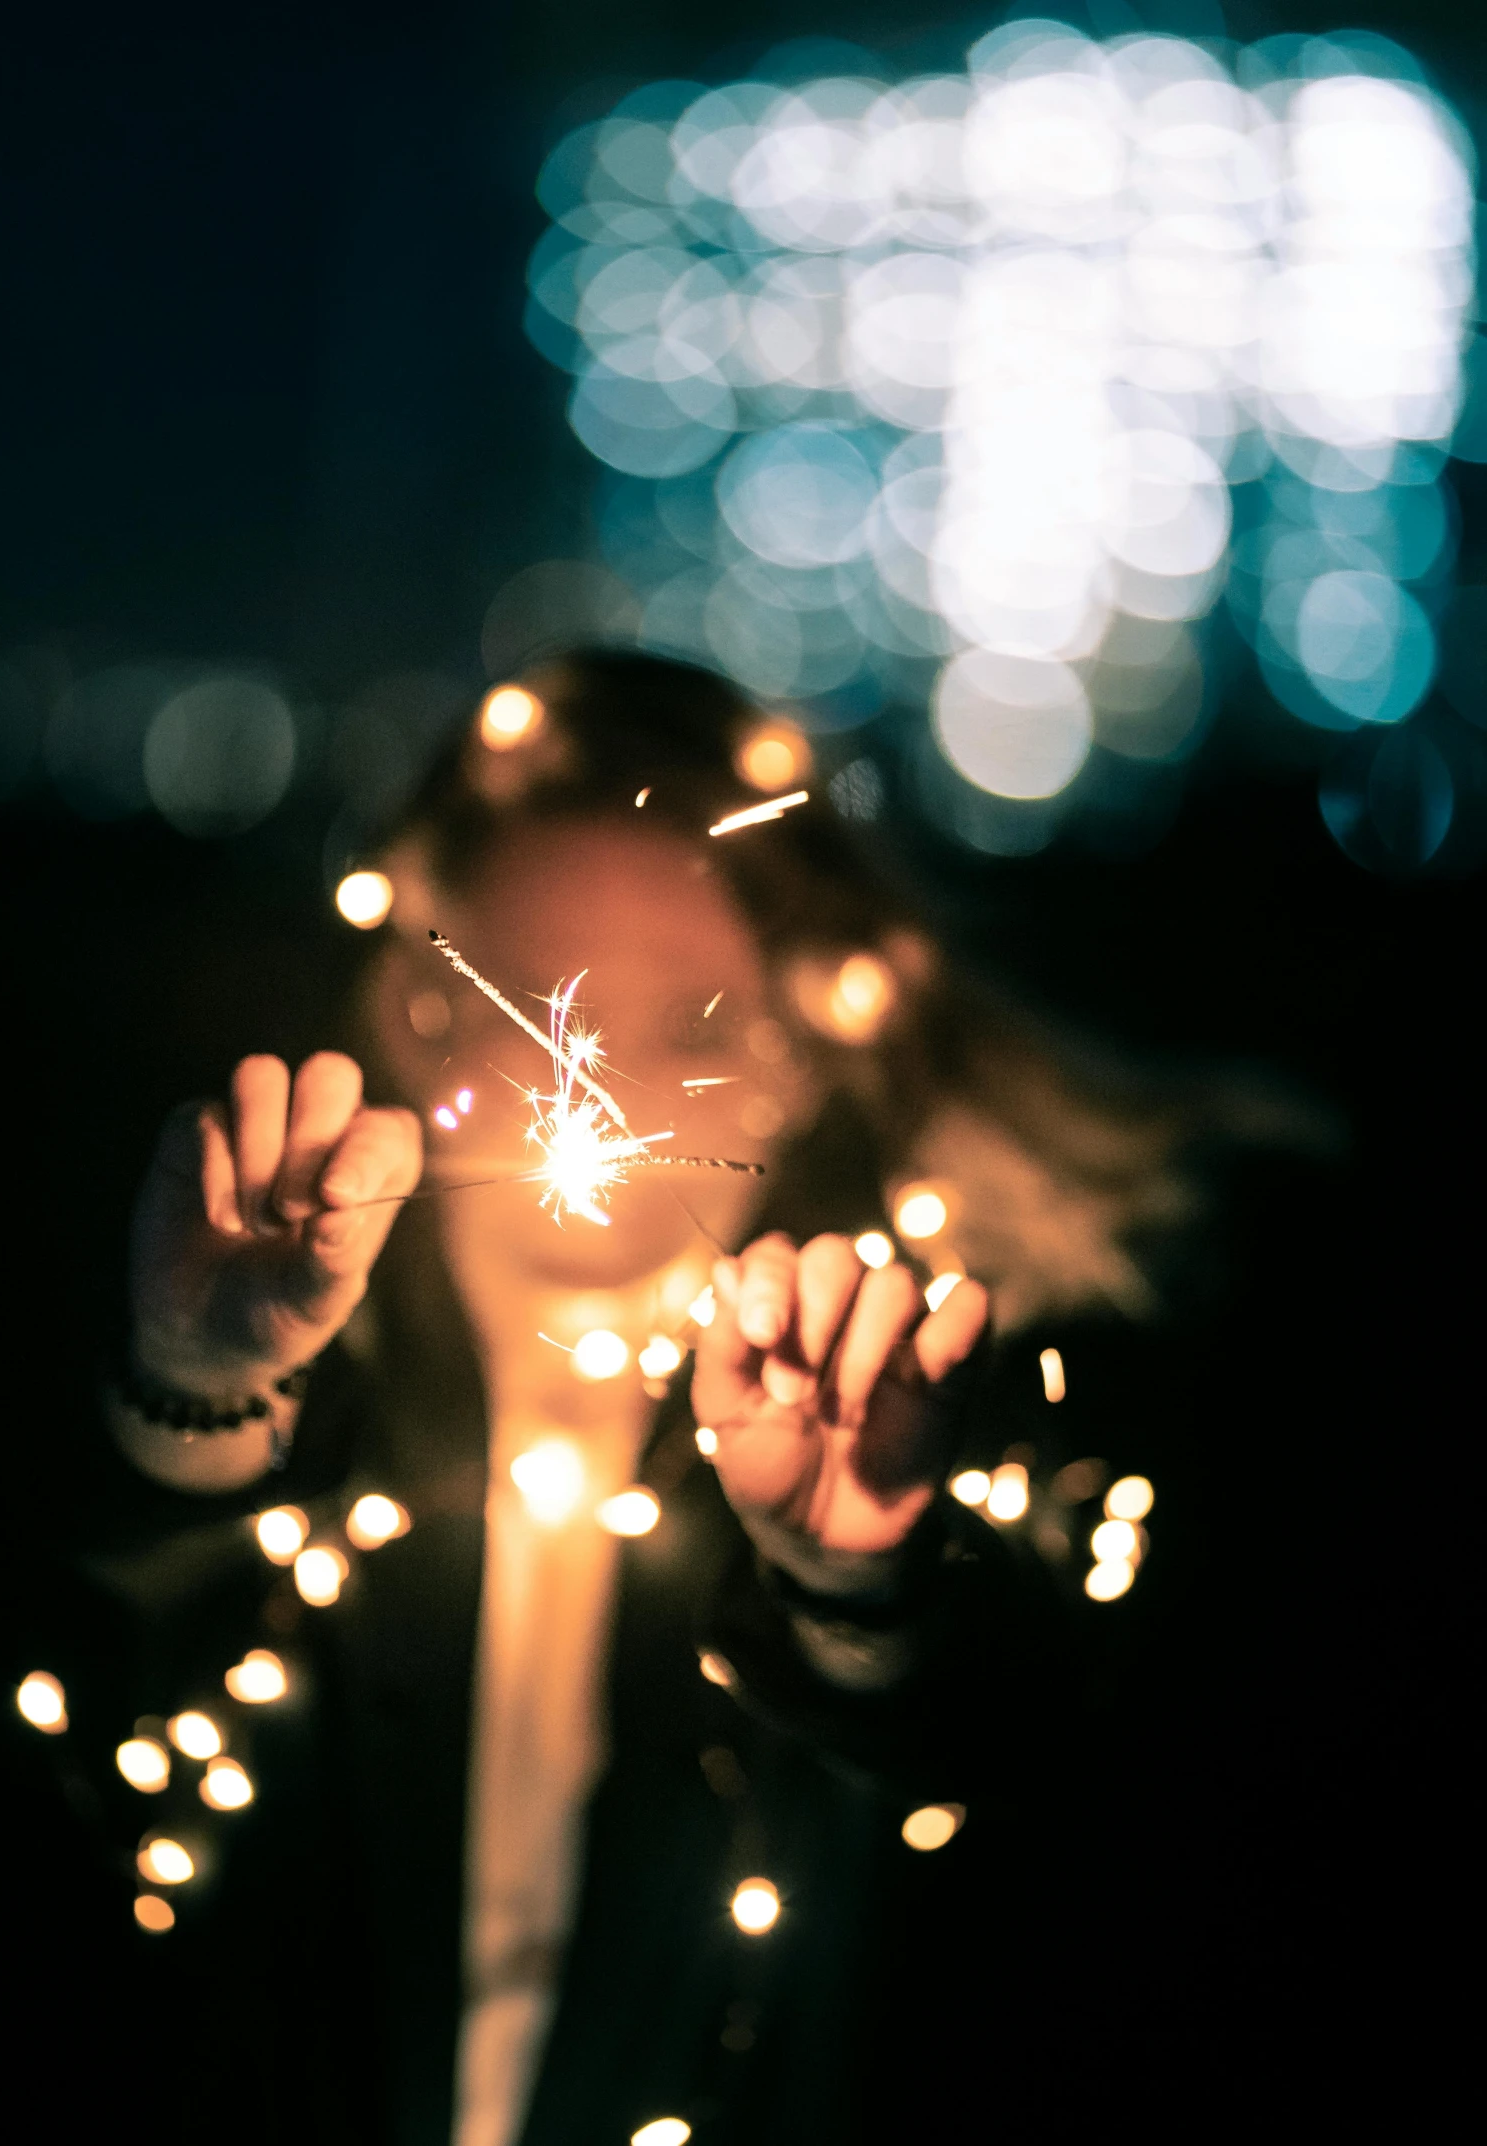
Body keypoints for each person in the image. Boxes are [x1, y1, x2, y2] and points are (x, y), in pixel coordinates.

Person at [92, 651, 1201, 2145]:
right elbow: (82, 1729)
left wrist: (852, 1582)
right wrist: (200, 1392)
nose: (601, 1083)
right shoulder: (307, 1385)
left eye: (690, 1024)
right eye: (546, 1003)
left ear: (804, 1060)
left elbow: (1027, 1759)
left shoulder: (913, 1392)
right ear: (419, 999)